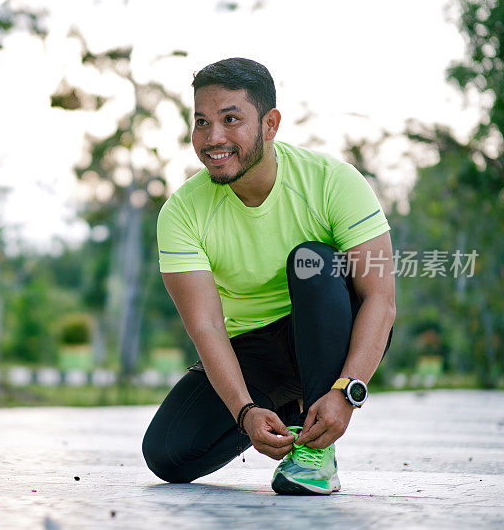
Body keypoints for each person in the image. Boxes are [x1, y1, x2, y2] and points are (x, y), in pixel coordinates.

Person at [142, 57, 396, 495]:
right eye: (201, 122)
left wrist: (346, 390)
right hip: (252, 350)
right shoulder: (181, 213)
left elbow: (380, 299)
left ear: (270, 124)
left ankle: (316, 455)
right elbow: (207, 326)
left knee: (311, 259)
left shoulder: (332, 182)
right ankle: (291, 413)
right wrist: (245, 411)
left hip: (331, 333)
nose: (213, 138)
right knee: (167, 454)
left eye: (230, 119)